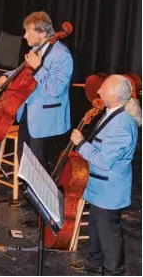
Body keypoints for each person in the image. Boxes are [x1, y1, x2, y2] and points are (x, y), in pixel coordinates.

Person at [68, 75, 141, 275]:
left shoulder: (122, 126)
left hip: (109, 189)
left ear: (116, 96)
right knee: (95, 226)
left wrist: (81, 144)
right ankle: (94, 263)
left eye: (103, 89)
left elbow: (104, 161)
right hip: (99, 185)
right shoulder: (112, 112)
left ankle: (114, 271)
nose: (98, 92)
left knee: (109, 232)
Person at [0, 11, 73, 174]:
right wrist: (5, 77)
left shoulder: (62, 56)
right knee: (24, 161)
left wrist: (38, 67)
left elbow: (56, 89)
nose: (24, 36)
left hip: (46, 120)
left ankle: (42, 200)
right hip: (27, 112)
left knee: (38, 168)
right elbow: (21, 71)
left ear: (42, 33)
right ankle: (29, 198)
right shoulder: (37, 49)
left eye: (28, 32)